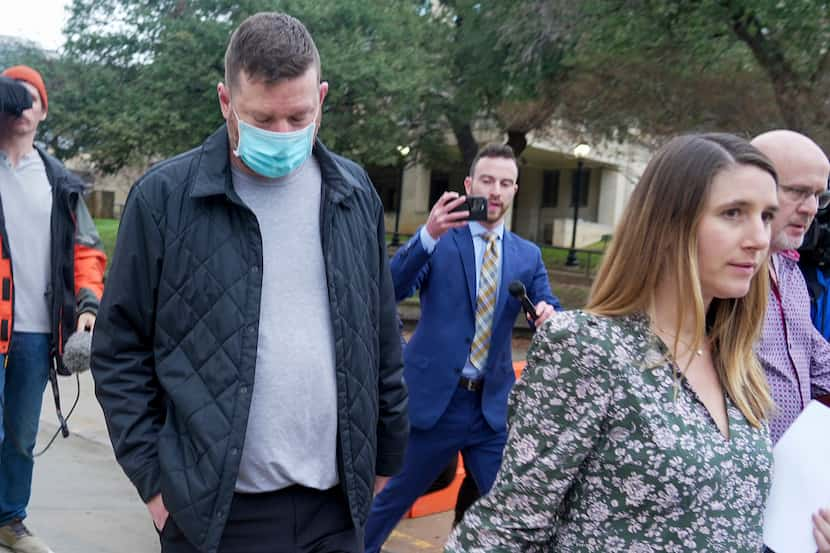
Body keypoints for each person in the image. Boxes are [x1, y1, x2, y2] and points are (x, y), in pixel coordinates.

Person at [90, 12, 408, 553]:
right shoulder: (164, 200)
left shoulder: (353, 194)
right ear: (225, 101)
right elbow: (119, 350)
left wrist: (386, 459)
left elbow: (379, 334)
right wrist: (156, 486)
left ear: (322, 98)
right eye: (263, 119)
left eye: (299, 116)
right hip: (215, 515)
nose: (284, 134)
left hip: (336, 509)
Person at [447, 133, 781, 552]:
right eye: (733, 213)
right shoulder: (588, 349)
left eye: (767, 216)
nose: (759, 238)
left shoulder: (738, 362)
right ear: (667, 223)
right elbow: (510, 525)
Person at [365, 143, 561, 552]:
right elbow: (389, 289)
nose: (495, 191)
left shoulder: (528, 255)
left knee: (510, 512)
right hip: (433, 404)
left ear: (514, 191)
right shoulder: (443, 242)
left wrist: (547, 317)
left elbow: (551, 313)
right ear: (470, 185)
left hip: (491, 410)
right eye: (487, 181)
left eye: (505, 183)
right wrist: (428, 235)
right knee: (385, 505)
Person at [0, 65, 106, 553]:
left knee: (20, 435)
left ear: (44, 111)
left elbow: (85, 250)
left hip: (36, 333)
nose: (23, 108)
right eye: (14, 98)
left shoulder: (59, 181)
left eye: (33, 99)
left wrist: (87, 303)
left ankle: (9, 518)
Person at [750, 130, 830, 444]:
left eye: (818, 196)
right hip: (738, 472)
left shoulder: (790, 271)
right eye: (797, 191)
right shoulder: (722, 278)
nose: (811, 208)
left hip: (793, 472)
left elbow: (817, 360)